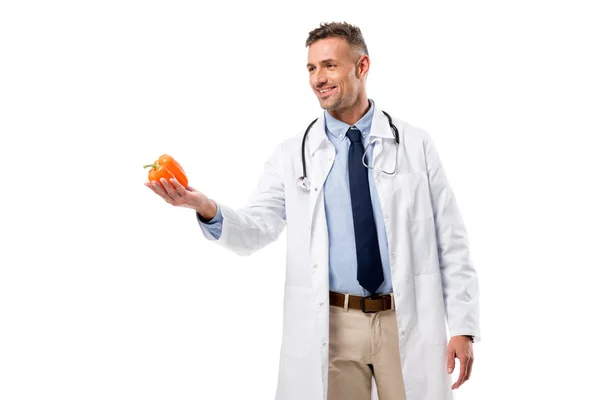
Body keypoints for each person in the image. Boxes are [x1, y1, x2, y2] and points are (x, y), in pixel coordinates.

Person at [144, 21, 480, 400]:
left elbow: (451, 241)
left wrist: (463, 327)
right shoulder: (293, 156)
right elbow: (257, 227)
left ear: (362, 66)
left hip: (407, 320)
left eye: (329, 66)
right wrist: (205, 208)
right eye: (311, 68)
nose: (318, 78)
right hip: (333, 324)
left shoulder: (415, 145)